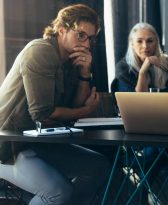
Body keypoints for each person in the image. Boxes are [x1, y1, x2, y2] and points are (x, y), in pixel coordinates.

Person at [0, 4, 110, 205]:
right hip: (9, 146)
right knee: (59, 192)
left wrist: (84, 74)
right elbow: (43, 114)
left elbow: (73, 110)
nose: (86, 44)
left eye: (91, 38)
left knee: (101, 168)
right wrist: (86, 110)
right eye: (81, 35)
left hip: (39, 143)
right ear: (62, 30)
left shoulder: (70, 59)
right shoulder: (40, 51)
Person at [112, 22, 168, 204]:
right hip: (134, 133)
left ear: (156, 42)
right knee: (162, 149)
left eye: (150, 41)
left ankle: (138, 195)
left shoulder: (167, 64)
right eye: (139, 41)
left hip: (164, 127)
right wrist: (143, 72)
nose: (145, 46)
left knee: (164, 147)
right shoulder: (123, 67)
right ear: (132, 44)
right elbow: (136, 107)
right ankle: (156, 198)